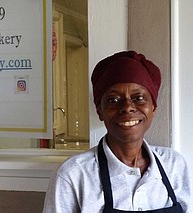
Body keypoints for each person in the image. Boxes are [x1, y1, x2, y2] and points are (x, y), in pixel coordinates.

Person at [43, 50, 192, 212]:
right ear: (100, 111)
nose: (127, 107)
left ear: (153, 108)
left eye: (139, 98)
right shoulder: (74, 175)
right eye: (113, 100)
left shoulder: (173, 164)